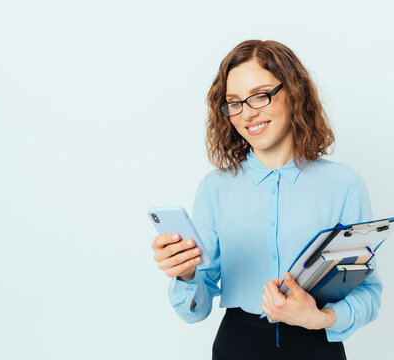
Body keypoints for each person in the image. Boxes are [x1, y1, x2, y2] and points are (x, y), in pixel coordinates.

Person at [151, 40, 382, 359]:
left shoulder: (344, 184)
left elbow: (367, 293)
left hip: (315, 346)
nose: (247, 113)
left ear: (294, 92)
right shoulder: (214, 188)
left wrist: (320, 318)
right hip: (237, 345)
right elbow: (194, 310)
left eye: (260, 95)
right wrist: (186, 274)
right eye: (234, 102)